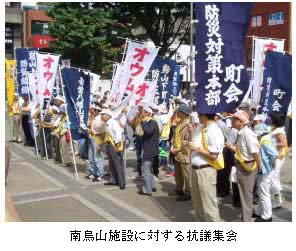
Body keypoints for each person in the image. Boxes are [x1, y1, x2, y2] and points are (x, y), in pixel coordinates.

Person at [188, 113, 225, 222]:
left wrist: (197, 148)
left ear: (205, 115)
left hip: (206, 170)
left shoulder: (215, 131)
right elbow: (193, 144)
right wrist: (191, 132)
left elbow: (214, 155)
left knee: (209, 206)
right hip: (195, 169)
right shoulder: (200, 127)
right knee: (197, 204)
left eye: (199, 114)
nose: (198, 116)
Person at [230, 110, 261, 222]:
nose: (232, 121)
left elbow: (255, 152)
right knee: (244, 194)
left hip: (247, 166)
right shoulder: (241, 132)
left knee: (246, 196)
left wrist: (260, 166)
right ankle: (247, 216)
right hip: (242, 165)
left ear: (241, 121)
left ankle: (246, 221)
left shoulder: (247, 133)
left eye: (235, 119)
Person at [253, 123, 278, 222]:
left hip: (265, 171)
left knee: (264, 194)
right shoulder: (267, 138)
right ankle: (260, 212)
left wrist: (270, 165)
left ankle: (267, 216)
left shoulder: (265, 141)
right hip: (265, 170)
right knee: (262, 193)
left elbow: (274, 154)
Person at [170, 104, 191, 201]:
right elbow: (174, 137)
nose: (177, 113)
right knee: (178, 174)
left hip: (184, 154)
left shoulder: (189, 125)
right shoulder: (179, 123)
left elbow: (187, 142)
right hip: (177, 153)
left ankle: (188, 192)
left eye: (178, 111)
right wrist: (172, 145)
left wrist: (177, 149)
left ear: (183, 113)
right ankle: (179, 189)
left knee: (186, 175)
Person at [138, 106, 159, 196]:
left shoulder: (152, 122)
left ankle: (147, 190)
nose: (141, 114)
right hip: (150, 149)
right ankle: (152, 186)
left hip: (149, 150)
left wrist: (143, 123)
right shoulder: (151, 122)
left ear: (147, 113)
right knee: (149, 170)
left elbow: (148, 131)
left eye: (143, 112)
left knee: (146, 170)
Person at [269, 111, 288, 209]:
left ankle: (277, 200)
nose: (269, 119)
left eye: (271, 117)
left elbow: (284, 143)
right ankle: (276, 199)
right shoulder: (275, 129)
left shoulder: (279, 131)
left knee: (273, 178)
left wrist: (270, 143)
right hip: (274, 156)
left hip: (278, 157)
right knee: (273, 177)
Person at [103, 109, 126, 190]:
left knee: (117, 163)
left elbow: (118, 133)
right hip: (109, 143)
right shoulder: (107, 123)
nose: (103, 116)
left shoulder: (113, 122)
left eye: (104, 114)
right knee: (111, 163)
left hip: (115, 144)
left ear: (108, 115)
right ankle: (113, 180)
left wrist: (117, 144)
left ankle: (121, 182)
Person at [86, 104, 105, 182]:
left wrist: (101, 143)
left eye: (92, 109)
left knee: (97, 157)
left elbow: (103, 131)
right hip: (91, 137)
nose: (90, 111)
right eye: (90, 109)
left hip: (98, 138)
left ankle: (99, 173)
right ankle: (92, 172)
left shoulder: (100, 119)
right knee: (91, 157)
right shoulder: (91, 117)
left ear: (97, 110)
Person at [158, 103, 174, 170]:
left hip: (161, 136)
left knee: (162, 150)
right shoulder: (168, 116)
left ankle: (163, 163)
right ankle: (163, 163)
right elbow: (171, 112)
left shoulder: (160, 118)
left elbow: (159, 128)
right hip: (166, 135)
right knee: (163, 150)